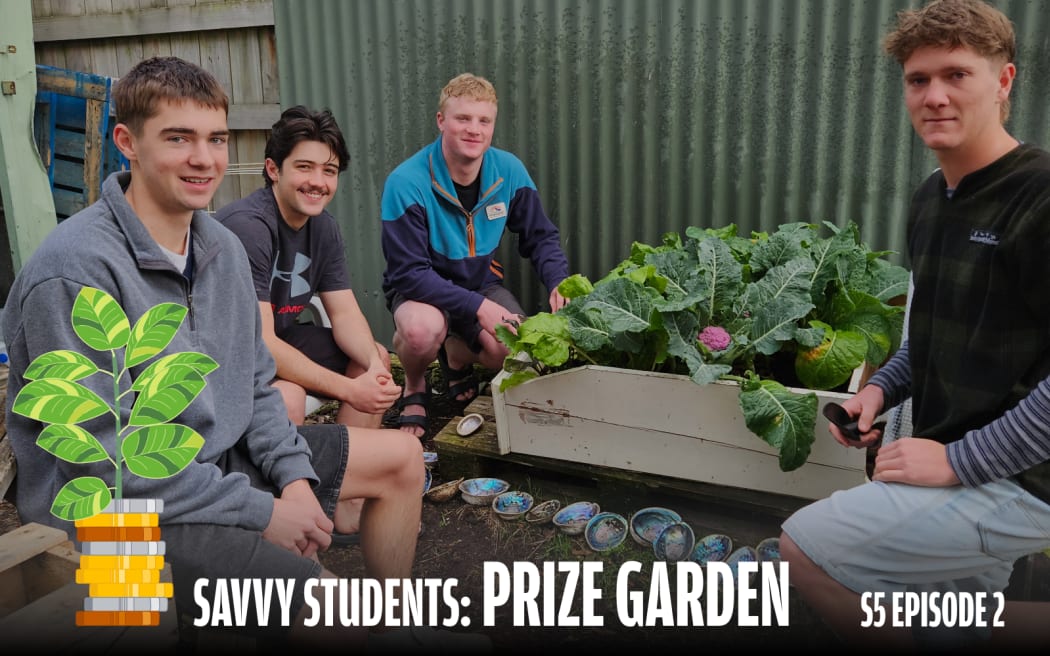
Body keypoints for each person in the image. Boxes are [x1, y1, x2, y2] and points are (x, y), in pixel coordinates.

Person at [2, 56, 488, 652]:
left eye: (215, 139)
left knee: (402, 460)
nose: (203, 159)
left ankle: (392, 619)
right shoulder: (75, 273)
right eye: (178, 138)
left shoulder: (219, 249)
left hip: (215, 465)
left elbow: (256, 387)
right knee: (331, 612)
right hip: (115, 521)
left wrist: (296, 481)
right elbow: (104, 472)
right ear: (126, 142)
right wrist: (261, 511)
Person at [779, 0, 1050, 650]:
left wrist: (957, 460)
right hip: (954, 456)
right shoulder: (933, 199)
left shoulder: (1039, 199)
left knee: (803, 551)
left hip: (1025, 476)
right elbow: (926, 340)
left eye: (957, 74)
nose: (935, 95)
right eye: (918, 79)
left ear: (1004, 81)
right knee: (952, 607)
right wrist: (878, 392)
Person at [380, 73, 570, 438]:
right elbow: (408, 274)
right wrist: (479, 309)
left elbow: (541, 236)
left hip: (480, 283)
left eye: (484, 120)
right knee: (421, 331)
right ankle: (415, 385)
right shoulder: (406, 182)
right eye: (462, 118)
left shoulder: (508, 171)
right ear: (441, 121)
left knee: (512, 349)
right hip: (421, 292)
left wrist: (559, 279)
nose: (474, 130)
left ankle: (455, 357)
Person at [215, 105, 400, 428]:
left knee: (376, 360)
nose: (318, 182)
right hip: (226, 357)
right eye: (304, 167)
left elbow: (344, 313)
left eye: (329, 170)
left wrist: (372, 366)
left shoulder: (323, 228)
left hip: (282, 338)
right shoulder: (248, 227)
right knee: (288, 396)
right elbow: (261, 342)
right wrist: (350, 390)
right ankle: (287, 476)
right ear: (273, 169)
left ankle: (347, 467)